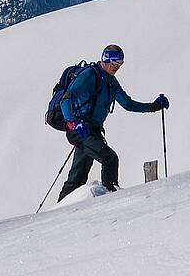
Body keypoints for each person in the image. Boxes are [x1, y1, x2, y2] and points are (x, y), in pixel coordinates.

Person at [58, 44, 167, 201]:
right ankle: (111, 199)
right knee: (109, 158)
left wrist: (155, 106)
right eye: (115, 63)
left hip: (92, 130)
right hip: (80, 129)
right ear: (106, 59)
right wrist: (74, 123)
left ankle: (59, 209)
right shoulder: (90, 75)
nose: (117, 67)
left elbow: (128, 104)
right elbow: (66, 99)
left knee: (78, 176)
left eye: (120, 64)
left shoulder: (111, 81)